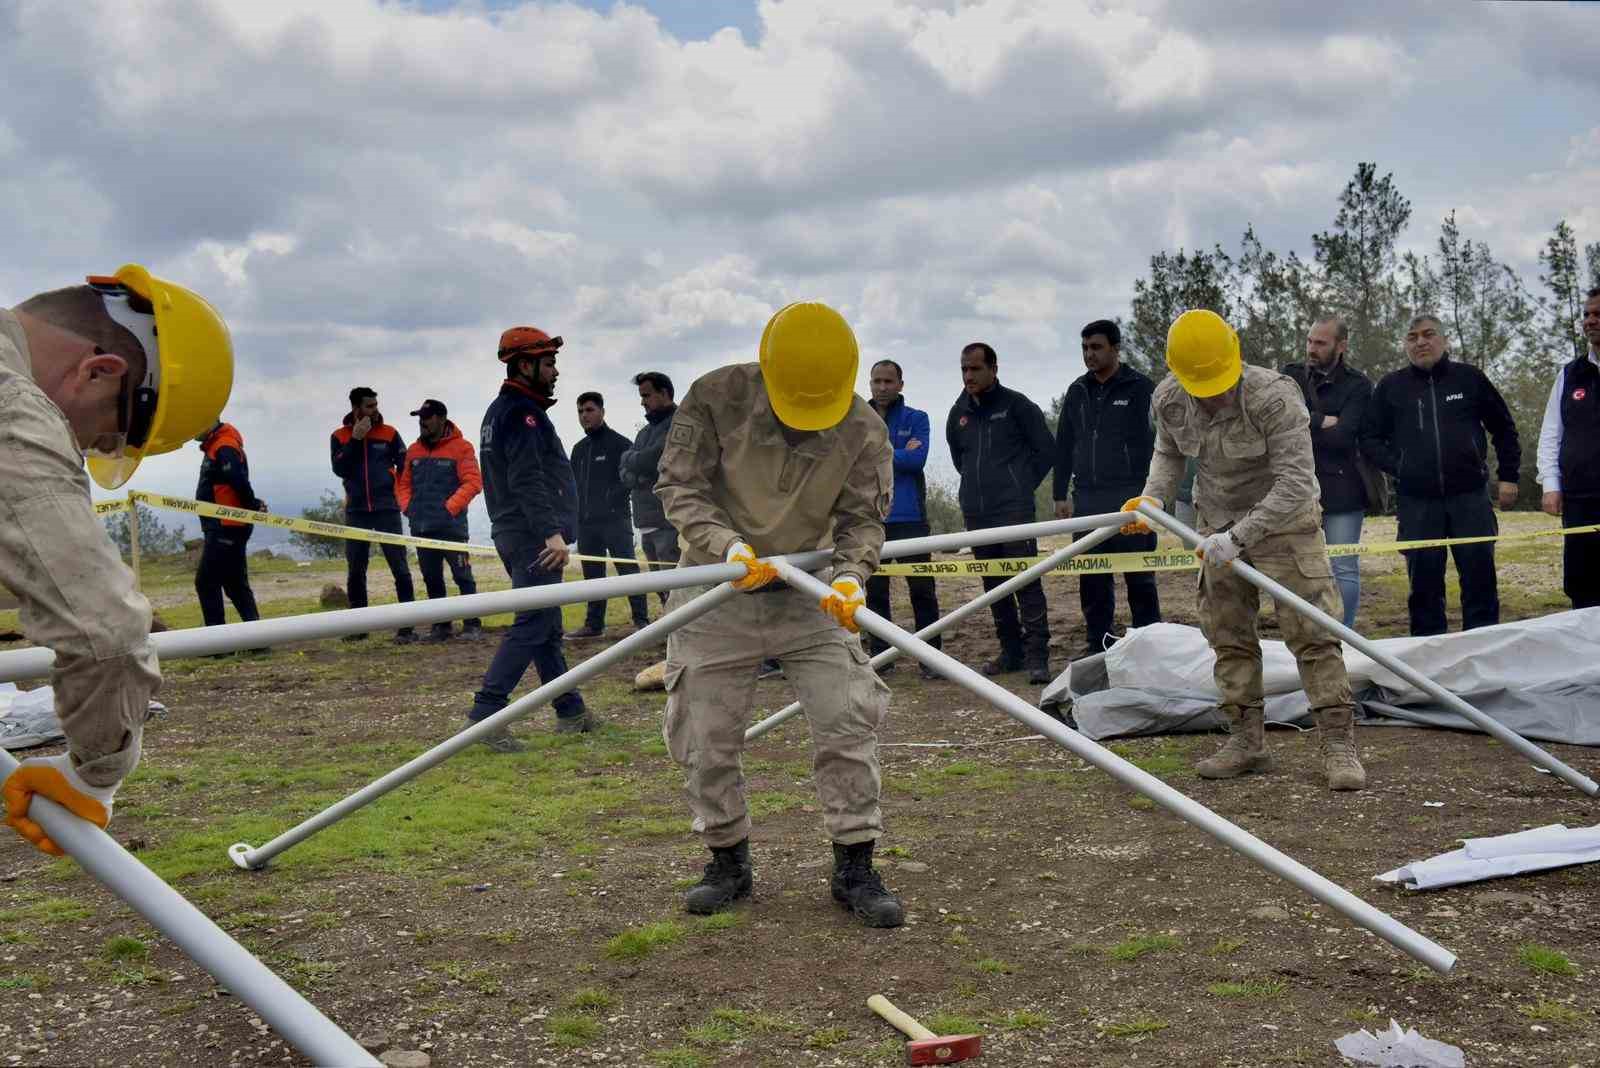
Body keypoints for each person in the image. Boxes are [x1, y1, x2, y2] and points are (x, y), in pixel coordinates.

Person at [655, 301, 902, 927]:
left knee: (848, 720)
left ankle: (855, 864)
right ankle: (727, 859)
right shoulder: (715, 398)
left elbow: (861, 520)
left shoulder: (863, 428)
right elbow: (680, 486)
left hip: (810, 590)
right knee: (705, 735)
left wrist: (850, 578)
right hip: (716, 589)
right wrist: (727, 546)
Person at [2, 265, 231, 855]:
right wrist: (92, 777)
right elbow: (106, 632)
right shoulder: (13, 413)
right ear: (100, 372)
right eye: (107, 436)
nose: (89, 450)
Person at [1127, 309, 1365, 792]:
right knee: (1227, 634)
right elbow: (1169, 451)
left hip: (1285, 525)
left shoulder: (1274, 397)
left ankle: (1338, 743)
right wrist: (1153, 496)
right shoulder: (1170, 398)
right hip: (1215, 522)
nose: (1210, 393)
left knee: (1313, 631)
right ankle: (1246, 741)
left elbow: (1297, 481)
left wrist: (1238, 538)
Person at [469, 326, 592, 750]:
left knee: (546, 624)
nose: (555, 371)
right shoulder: (522, 413)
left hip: (517, 531)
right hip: (530, 536)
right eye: (549, 362)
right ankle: (486, 714)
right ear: (525, 365)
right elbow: (527, 478)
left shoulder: (500, 411)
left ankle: (570, 708)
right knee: (534, 622)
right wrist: (550, 533)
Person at [1360, 314, 1520, 635]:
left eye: (1428, 334)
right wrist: (1401, 468)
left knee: (1480, 582)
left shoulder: (1469, 378)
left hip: (1470, 497)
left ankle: (1485, 654)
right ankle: (1427, 669)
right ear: (1406, 345)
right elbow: (1368, 438)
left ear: (1444, 340)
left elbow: (1503, 427)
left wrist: (1509, 475)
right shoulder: (1391, 387)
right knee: (1424, 590)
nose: (1420, 342)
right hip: (1417, 503)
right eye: (1412, 336)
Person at [945, 341, 1055, 683]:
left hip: (1014, 511)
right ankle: (1011, 652)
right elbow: (958, 458)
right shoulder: (958, 412)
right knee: (994, 584)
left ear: (993, 369)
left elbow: (1046, 450)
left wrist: (1020, 486)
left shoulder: (1017, 405)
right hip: (977, 513)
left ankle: (1038, 656)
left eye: (975, 368)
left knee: (1025, 581)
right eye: (964, 368)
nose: (968, 375)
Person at [1051, 320, 1160, 658]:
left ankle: (1150, 644)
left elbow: (1159, 444)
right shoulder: (1077, 390)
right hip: (1087, 498)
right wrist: (1059, 493)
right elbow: (1064, 443)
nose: (1089, 354)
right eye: (1085, 348)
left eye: (1096, 347)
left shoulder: (1140, 387)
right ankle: (1098, 646)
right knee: (1093, 580)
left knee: (1139, 578)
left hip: (1131, 496)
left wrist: (1154, 494)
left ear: (1115, 348)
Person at [1282, 318, 1375, 629]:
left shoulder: (1359, 384)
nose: (1312, 348)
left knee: (1343, 566)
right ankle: (1309, 635)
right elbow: (1282, 424)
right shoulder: (1290, 376)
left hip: (1343, 487)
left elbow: (1345, 436)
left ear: (1341, 346)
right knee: (1301, 567)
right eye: (1310, 341)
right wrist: (1321, 419)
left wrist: (1304, 424)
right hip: (1296, 484)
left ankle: (1343, 636)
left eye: (1320, 343)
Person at [864, 359, 942, 680]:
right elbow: (852, 462)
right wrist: (897, 450)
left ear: (900, 384)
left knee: (922, 589)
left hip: (911, 517)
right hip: (871, 517)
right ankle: (882, 659)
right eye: (877, 381)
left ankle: (932, 660)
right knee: (876, 593)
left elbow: (916, 460)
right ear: (870, 384)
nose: (882, 387)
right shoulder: (858, 419)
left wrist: (878, 451)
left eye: (888, 381)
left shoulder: (917, 418)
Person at [330, 387, 417, 643]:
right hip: (357, 512)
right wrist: (356, 439)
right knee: (356, 570)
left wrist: (401, 498)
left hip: (386, 510)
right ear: (356, 408)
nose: (374, 410)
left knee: (399, 568)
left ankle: (407, 627)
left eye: (375, 405)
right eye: (369, 406)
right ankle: (359, 627)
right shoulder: (339, 435)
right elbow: (340, 469)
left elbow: (405, 469)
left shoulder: (389, 433)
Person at [396, 399, 483, 643]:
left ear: (442, 418)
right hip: (422, 528)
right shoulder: (413, 450)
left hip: (452, 528)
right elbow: (403, 483)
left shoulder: (462, 447)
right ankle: (441, 626)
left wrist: (450, 508)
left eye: (428, 416)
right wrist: (407, 507)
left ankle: (472, 624)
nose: (422, 421)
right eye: (420, 417)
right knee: (431, 577)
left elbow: (474, 482)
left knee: (463, 576)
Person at [1537, 287, 1600, 610]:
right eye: (1587, 314)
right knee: (1582, 585)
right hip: (1580, 499)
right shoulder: (1569, 374)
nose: (1590, 321)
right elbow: (1551, 433)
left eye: (1597, 314)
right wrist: (1551, 484)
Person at [569, 390, 649, 637]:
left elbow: (630, 480)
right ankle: (594, 625)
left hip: (616, 520)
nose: (585, 415)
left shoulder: (620, 444)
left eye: (590, 410)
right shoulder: (579, 449)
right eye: (581, 411)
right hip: (586, 524)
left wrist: (610, 498)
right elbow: (573, 485)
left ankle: (642, 622)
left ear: (602, 412)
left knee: (628, 572)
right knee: (593, 576)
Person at [194, 421, 264, 629]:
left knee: (206, 582)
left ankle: (218, 643)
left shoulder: (223, 445)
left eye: (194, 424)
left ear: (209, 419)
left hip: (226, 526)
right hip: (226, 524)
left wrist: (253, 504)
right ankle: (258, 639)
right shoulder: (218, 444)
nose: (190, 431)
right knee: (235, 584)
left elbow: (238, 481)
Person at [618, 371, 680, 604]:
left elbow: (653, 460)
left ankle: (680, 632)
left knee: (675, 584)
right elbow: (624, 471)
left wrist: (633, 460)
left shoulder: (679, 423)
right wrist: (637, 468)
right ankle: (669, 630)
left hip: (669, 521)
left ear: (664, 393)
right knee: (660, 586)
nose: (642, 402)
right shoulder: (644, 432)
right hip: (646, 521)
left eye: (646, 395)